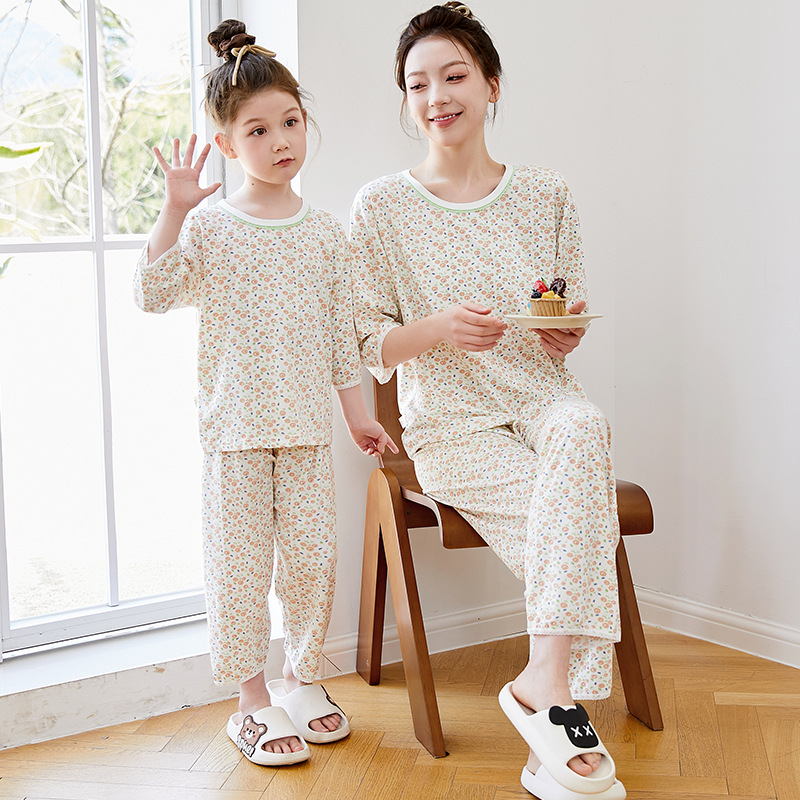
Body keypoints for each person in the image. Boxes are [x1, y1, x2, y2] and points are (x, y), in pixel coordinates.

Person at [350, 4, 625, 798]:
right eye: (418, 84)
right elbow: (367, 344)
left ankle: (544, 680)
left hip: (541, 399)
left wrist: (562, 335)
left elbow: (560, 313)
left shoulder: (547, 193)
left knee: (585, 425)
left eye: (454, 75)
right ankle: (555, 702)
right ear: (406, 100)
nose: (436, 95)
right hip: (451, 424)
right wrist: (438, 328)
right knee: (578, 517)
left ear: (492, 84)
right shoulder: (381, 207)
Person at [134, 19, 396, 767]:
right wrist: (174, 209)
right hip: (236, 434)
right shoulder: (212, 228)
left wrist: (359, 418)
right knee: (240, 571)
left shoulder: (328, 234)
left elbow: (341, 338)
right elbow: (152, 294)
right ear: (226, 144)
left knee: (312, 565)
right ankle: (250, 699)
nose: (280, 140)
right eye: (258, 130)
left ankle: (301, 680)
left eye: (290, 121)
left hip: (307, 432)